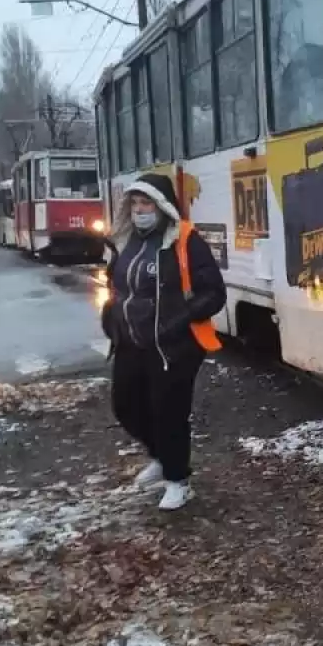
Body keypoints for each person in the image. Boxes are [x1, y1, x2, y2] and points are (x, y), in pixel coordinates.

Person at [102, 172, 226, 510]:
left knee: (168, 412)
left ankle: (178, 480)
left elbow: (214, 293)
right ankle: (160, 455)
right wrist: (110, 316)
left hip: (174, 346)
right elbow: (118, 288)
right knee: (125, 406)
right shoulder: (125, 240)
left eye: (147, 204)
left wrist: (180, 321)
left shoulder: (184, 241)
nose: (140, 210)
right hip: (130, 341)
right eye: (135, 204)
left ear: (162, 206)